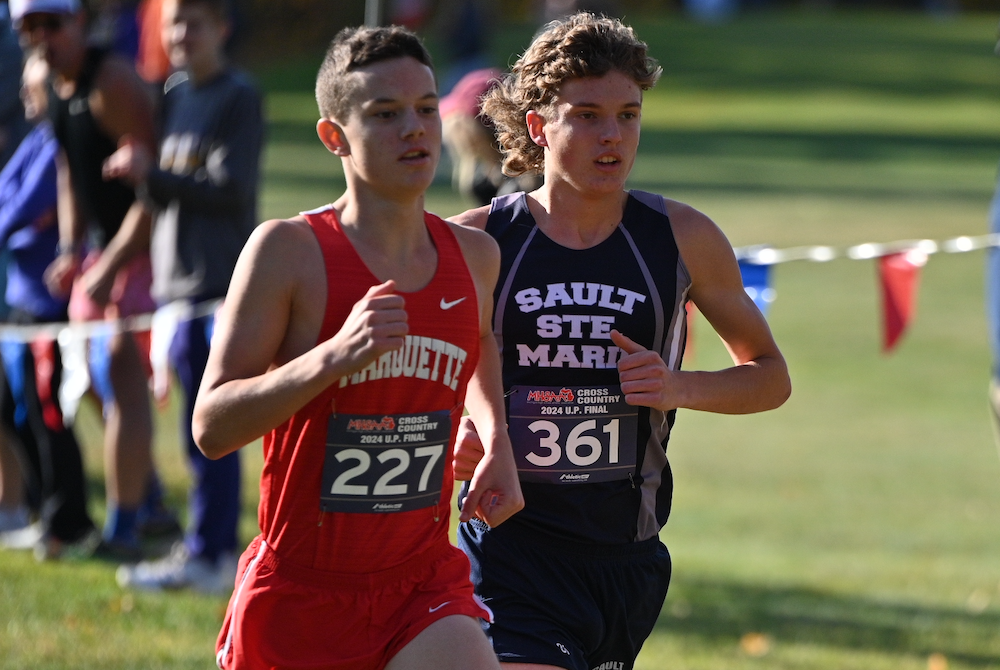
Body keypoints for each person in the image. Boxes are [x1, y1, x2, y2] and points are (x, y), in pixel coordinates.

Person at [451, 13, 791, 670]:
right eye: (586, 116)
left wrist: (676, 387)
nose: (612, 136)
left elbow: (770, 375)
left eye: (627, 115)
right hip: (507, 548)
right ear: (537, 126)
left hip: (625, 560)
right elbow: (414, 375)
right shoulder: (478, 240)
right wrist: (462, 430)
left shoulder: (682, 238)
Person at [191, 25, 522, 670]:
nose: (415, 129)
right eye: (385, 114)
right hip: (302, 591)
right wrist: (333, 356)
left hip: (422, 583)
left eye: (427, 108)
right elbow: (212, 425)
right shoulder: (287, 251)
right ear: (334, 136)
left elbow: (479, 340)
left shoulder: (475, 256)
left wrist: (498, 442)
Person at [107, 0, 264, 593]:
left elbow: (229, 187)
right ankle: (204, 546)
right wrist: (117, 262)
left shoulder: (238, 96)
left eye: (193, 24)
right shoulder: (172, 93)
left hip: (218, 289)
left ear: (222, 29)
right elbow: (158, 193)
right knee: (192, 435)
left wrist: (152, 172)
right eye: (172, 24)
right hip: (176, 290)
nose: (180, 35)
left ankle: (213, 553)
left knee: (214, 432)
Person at [11, 0, 171, 560]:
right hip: (101, 255)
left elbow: (157, 187)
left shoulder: (113, 82)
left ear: (80, 22)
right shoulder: (49, 82)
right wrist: (71, 246)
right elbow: (68, 168)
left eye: (53, 25)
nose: (43, 39)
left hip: (148, 252)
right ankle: (148, 503)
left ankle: (125, 529)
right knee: (98, 383)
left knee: (125, 382)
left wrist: (113, 261)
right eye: (29, 28)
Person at [0, 52, 97, 557]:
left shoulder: (58, 143)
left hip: (45, 307)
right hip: (17, 304)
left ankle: (70, 521)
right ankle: (45, 509)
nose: (23, 95)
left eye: (31, 86)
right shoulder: (32, 139)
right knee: (18, 412)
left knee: (50, 416)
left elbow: (24, 207)